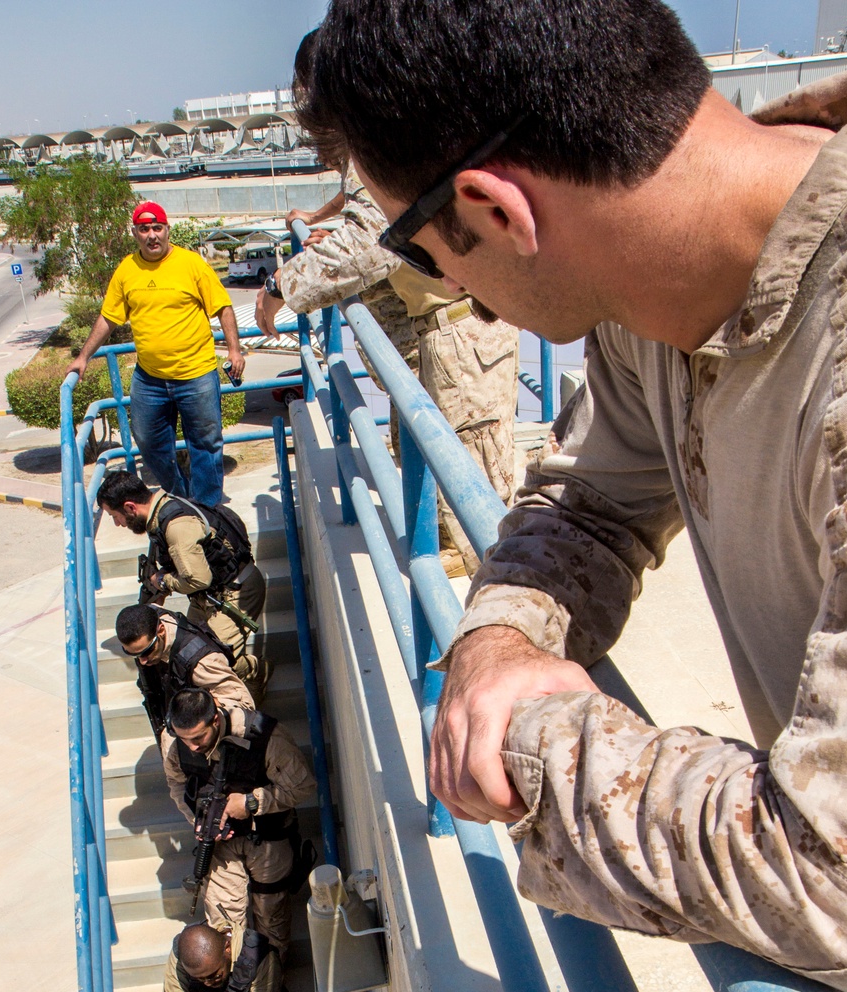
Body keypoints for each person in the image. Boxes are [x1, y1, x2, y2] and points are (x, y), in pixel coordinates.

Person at [302, 0, 847, 992]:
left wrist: (532, 744)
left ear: (490, 206)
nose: (447, 290)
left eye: (420, 248)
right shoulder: (674, 296)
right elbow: (588, 496)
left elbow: (838, 866)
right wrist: (497, 637)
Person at [259, 167, 519, 503]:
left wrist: (280, 284)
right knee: (435, 467)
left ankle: (468, 555)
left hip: (462, 328)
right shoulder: (372, 143)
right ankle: (443, 551)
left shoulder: (370, 134)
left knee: (472, 480)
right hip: (441, 329)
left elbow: (369, 246)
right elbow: (379, 218)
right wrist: (329, 226)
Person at [67, 199, 245, 503]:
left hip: (196, 374)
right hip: (150, 380)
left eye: (157, 228)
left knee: (206, 445)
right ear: (135, 233)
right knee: (148, 444)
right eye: (144, 229)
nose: (152, 235)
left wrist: (234, 350)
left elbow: (222, 307)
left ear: (167, 230)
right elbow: (109, 317)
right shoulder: (127, 269)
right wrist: (83, 356)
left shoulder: (191, 264)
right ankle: (180, 496)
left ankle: (208, 511)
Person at [164, 690, 317, 961]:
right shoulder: (176, 742)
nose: (192, 747)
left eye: (198, 738)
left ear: (214, 719)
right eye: (184, 739)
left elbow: (303, 787)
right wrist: (198, 819)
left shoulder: (264, 737)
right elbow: (177, 786)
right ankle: (236, 981)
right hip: (221, 844)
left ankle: (270, 978)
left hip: (269, 837)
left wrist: (251, 802)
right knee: (223, 924)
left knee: (271, 916)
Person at [97, 470, 267, 695]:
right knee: (183, 652)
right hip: (209, 596)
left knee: (211, 659)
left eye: (114, 516)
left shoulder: (175, 525)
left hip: (236, 592)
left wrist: (163, 582)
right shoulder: (161, 512)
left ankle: (258, 671)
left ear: (130, 507)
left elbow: (197, 578)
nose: (118, 524)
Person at [114, 603, 254, 742]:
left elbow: (244, 705)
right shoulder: (148, 615)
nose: (142, 661)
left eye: (147, 651)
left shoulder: (201, 663)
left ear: (161, 630)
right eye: (132, 653)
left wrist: (200, 712)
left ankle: (253, 668)